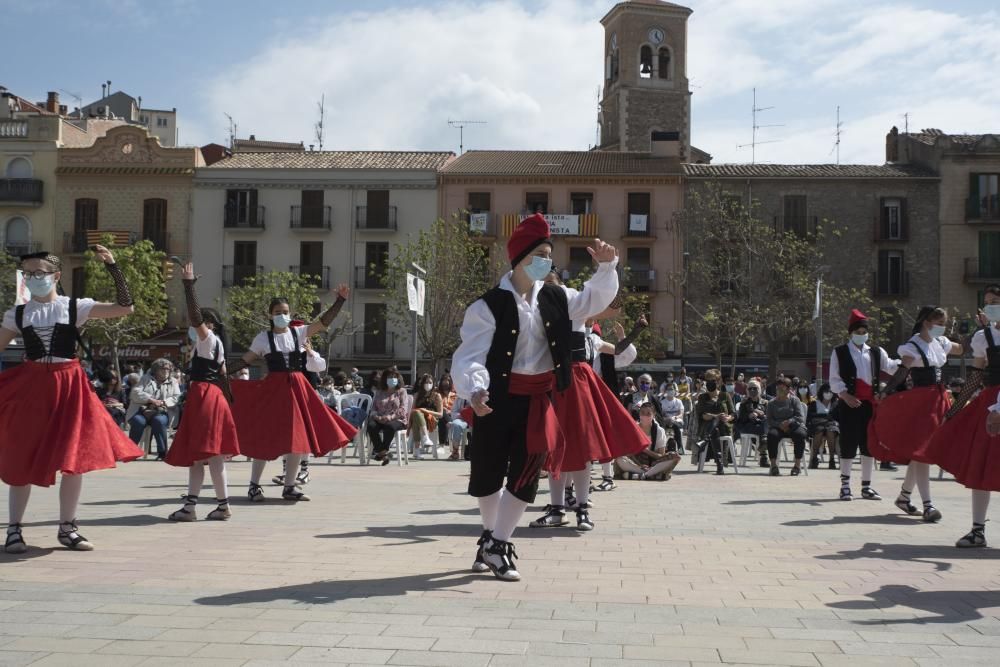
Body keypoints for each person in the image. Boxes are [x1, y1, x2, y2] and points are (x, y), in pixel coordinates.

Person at [451, 213, 618, 581]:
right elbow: (469, 356)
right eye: (540, 253)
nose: (547, 260)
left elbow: (594, 298)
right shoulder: (487, 306)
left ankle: (498, 544)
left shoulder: (558, 297)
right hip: (494, 399)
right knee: (488, 474)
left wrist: (607, 267)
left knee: (526, 474)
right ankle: (490, 538)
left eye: (549, 254)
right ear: (520, 257)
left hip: (539, 399)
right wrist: (476, 389)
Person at [1, 247, 143, 553]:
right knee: (22, 455)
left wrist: (113, 267)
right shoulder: (18, 313)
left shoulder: (75, 306)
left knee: (73, 458)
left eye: (40, 273)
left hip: (69, 383)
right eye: (29, 274)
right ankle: (14, 529)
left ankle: (68, 527)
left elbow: (125, 307)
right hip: (32, 384)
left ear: (56, 276)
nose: (34, 278)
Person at [530, 283, 648, 531]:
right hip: (553, 382)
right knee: (555, 448)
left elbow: (609, 316)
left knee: (583, 447)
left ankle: (581, 509)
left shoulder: (582, 323)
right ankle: (558, 508)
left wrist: (610, 274)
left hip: (579, 385)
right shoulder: (540, 316)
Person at [228, 287, 357, 502]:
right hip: (274, 390)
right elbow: (245, 360)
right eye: (278, 312)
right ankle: (254, 486)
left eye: (285, 311)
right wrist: (221, 372)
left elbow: (323, 322)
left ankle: (289, 486)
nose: (282, 315)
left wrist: (340, 301)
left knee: (299, 438)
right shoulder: (262, 338)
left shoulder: (299, 333)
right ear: (270, 315)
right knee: (265, 435)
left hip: (297, 388)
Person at [164, 262, 240, 523]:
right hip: (212, 396)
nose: (193, 326)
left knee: (203, 456)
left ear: (209, 325)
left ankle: (199, 507)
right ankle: (210, 506)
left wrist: (188, 286)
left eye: (199, 324)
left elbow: (196, 318)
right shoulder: (215, 346)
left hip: (204, 396)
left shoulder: (207, 339)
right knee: (208, 457)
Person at [926, 287, 1000, 547]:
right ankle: (978, 530)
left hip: (996, 405)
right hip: (990, 402)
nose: (990, 307)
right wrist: (954, 410)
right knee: (981, 464)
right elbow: (976, 376)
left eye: (995, 302)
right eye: (987, 303)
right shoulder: (984, 337)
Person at [874, 306, 961, 522]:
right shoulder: (913, 346)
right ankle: (928, 505)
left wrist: (974, 330)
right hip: (921, 402)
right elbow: (902, 372)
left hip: (938, 400)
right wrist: (886, 392)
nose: (942, 327)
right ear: (925, 322)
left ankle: (904, 496)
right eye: (939, 323)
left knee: (921, 453)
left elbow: (961, 349)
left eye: (944, 324)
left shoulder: (940, 343)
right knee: (923, 453)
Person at [829, 309, 899, 501]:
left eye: (864, 332)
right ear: (850, 333)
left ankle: (866, 486)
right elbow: (834, 379)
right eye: (858, 332)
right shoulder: (840, 352)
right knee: (848, 443)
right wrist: (844, 395)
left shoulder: (876, 352)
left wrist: (908, 360)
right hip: (850, 403)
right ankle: (845, 485)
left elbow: (891, 366)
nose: (861, 335)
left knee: (869, 445)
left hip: (870, 405)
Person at [126, 358, 181, 460]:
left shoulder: (173, 381)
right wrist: (150, 400)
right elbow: (135, 393)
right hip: (142, 410)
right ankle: (131, 451)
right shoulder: (145, 378)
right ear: (155, 370)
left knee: (159, 421)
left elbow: (176, 397)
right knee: (138, 422)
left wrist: (163, 402)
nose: (166, 371)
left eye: (168, 369)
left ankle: (162, 453)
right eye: (163, 369)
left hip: (162, 411)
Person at [614, 404, 682, 480]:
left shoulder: (659, 431)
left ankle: (641, 475)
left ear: (654, 415)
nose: (645, 416)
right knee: (619, 457)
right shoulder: (634, 429)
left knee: (675, 456)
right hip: (636, 463)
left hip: (654, 464)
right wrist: (640, 465)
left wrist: (646, 451)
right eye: (643, 413)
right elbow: (629, 453)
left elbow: (661, 455)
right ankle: (650, 475)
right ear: (639, 414)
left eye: (648, 413)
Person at [765, 378, 808, 476]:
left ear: (789, 389)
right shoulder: (771, 403)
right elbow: (769, 420)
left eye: (782, 389)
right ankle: (774, 466)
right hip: (778, 427)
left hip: (793, 426)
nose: (779, 391)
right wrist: (779, 424)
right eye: (778, 389)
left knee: (800, 435)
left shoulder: (794, 400)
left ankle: (797, 466)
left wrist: (789, 422)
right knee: (772, 435)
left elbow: (800, 417)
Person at [366, 367, 409, 464]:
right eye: (390, 377)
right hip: (380, 418)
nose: (392, 379)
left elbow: (403, 409)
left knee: (389, 427)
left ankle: (381, 452)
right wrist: (377, 417)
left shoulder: (402, 391)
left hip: (397, 419)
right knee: (371, 426)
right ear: (385, 379)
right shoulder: (379, 392)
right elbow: (373, 408)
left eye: (394, 377)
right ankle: (383, 452)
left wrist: (390, 417)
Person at [694, 379, 733, 475]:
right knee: (715, 429)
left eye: (713, 382)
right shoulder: (702, 397)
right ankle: (720, 465)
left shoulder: (725, 395)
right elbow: (702, 415)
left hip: (724, 427)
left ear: (718, 383)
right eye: (708, 382)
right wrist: (716, 416)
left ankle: (705, 440)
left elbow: (733, 413)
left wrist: (728, 418)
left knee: (716, 425)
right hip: (707, 426)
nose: (710, 384)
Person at [409, 373, 443, 459]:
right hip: (418, 417)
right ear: (422, 384)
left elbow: (440, 414)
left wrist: (425, 411)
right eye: (426, 382)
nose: (428, 384)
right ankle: (425, 437)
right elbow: (412, 410)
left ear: (433, 384)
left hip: (431, 419)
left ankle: (417, 450)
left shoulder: (437, 395)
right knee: (416, 413)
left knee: (417, 415)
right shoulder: (417, 395)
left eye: (430, 382)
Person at [807, 383, 840, 470]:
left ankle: (832, 459)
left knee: (831, 431)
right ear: (822, 392)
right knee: (819, 431)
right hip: (818, 424)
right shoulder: (814, 403)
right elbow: (810, 416)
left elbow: (838, 417)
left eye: (830, 391)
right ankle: (814, 458)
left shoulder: (836, 404)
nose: (828, 393)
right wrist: (825, 416)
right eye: (826, 391)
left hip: (831, 425)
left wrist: (824, 416)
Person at [735, 380, 769, 465]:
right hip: (748, 426)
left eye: (755, 388)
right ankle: (764, 454)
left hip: (761, 425)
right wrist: (749, 416)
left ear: (759, 389)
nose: (752, 391)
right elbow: (740, 419)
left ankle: (764, 455)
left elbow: (770, 417)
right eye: (750, 389)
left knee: (765, 425)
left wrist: (763, 415)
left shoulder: (765, 403)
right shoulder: (744, 403)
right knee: (763, 431)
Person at [659, 384, 686, 453]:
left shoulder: (678, 401)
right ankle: (663, 447)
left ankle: (680, 447)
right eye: (668, 389)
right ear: (665, 391)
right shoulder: (662, 402)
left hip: (677, 421)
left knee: (676, 427)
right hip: (666, 421)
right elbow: (661, 415)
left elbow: (681, 413)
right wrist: (667, 418)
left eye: (672, 389)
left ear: (675, 390)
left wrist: (675, 417)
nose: (670, 391)